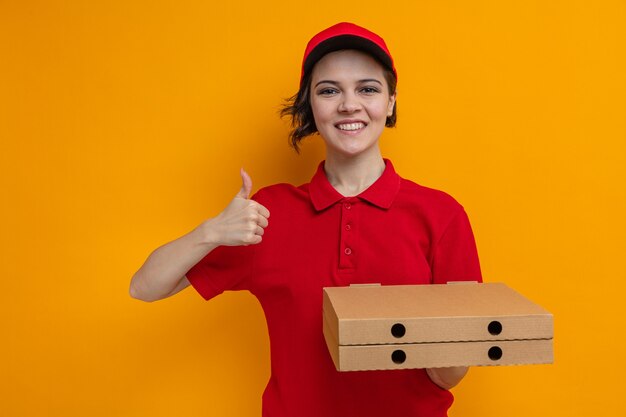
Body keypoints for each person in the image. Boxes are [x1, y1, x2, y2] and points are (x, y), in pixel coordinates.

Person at [130, 22, 482, 417]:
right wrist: (211, 232)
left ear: (391, 103)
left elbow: (451, 373)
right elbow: (144, 287)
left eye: (367, 88)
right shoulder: (269, 214)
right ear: (311, 106)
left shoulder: (440, 214)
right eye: (329, 90)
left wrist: (421, 331)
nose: (349, 104)